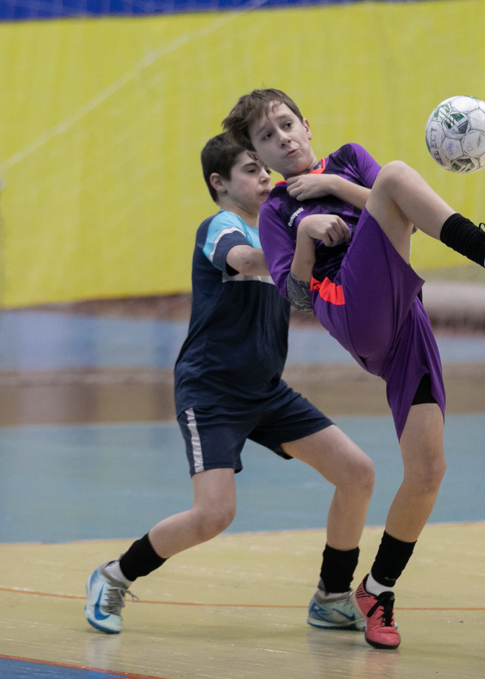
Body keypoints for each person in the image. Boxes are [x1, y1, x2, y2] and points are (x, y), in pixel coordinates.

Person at [223, 89, 485, 649]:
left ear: (307, 125)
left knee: (428, 471)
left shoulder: (346, 160)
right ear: (258, 156)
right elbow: (296, 296)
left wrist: (336, 187)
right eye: (267, 137)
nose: (283, 139)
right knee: (394, 175)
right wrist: (306, 235)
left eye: (287, 124)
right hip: (349, 306)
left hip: (404, 319)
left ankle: (377, 590)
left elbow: (401, 213)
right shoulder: (276, 211)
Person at [85, 133, 375, 636]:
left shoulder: (282, 227)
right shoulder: (222, 226)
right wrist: (303, 237)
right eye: (250, 169)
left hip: (267, 391)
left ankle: (331, 597)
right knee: (214, 514)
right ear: (219, 182)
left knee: (357, 472)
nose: (265, 176)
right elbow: (243, 260)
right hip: (211, 392)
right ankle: (115, 575)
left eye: (266, 168)